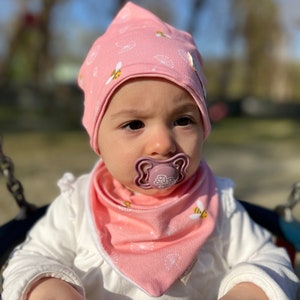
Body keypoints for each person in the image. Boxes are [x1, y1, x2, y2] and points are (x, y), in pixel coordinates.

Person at [2, 2, 299, 300]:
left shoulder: (215, 203)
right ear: (98, 140)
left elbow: (268, 258)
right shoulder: (77, 206)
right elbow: (31, 259)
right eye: (134, 124)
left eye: (183, 120)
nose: (162, 144)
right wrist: (46, 287)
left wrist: (250, 287)